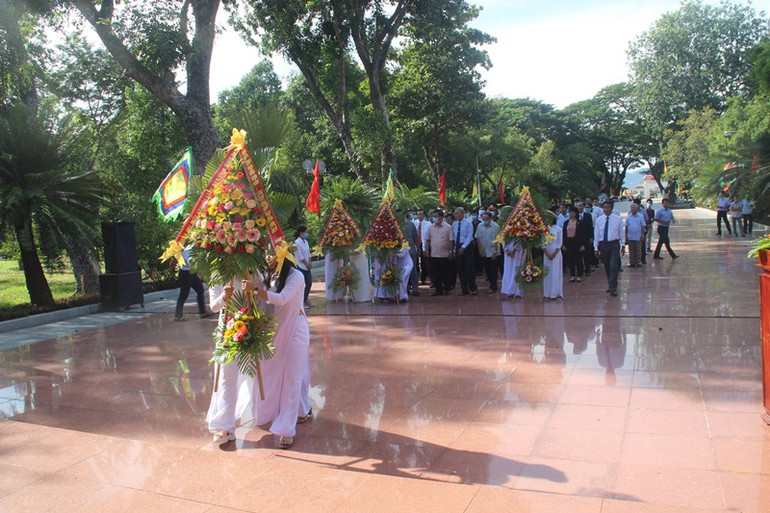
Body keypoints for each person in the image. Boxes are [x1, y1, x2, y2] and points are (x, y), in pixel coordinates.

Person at [253, 255, 311, 450]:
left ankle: (287, 430)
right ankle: (286, 411)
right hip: (276, 331)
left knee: (292, 379)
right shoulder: (271, 276)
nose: (268, 257)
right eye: (267, 254)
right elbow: (267, 305)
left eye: (272, 254)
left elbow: (283, 298)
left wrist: (256, 292)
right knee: (272, 373)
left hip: (295, 330)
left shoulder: (296, 276)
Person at [594, 200, 625, 297]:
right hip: (603, 245)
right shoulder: (599, 220)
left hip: (614, 244)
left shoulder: (618, 219)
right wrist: (596, 248)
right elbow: (596, 234)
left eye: (608, 208)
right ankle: (610, 284)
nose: (606, 209)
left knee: (613, 266)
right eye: (604, 207)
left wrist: (623, 245)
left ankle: (613, 288)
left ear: (611, 209)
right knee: (607, 266)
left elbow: (621, 232)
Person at [174, 246, 208, 321]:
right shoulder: (183, 249)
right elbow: (189, 261)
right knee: (184, 294)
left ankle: (202, 312)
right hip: (185, 273)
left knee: (200, 290)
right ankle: (178, 315)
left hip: (192, 273)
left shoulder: (192, 246)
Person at [425, 210, 454, 296]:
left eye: (436, 216)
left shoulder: (448, 227)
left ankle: (447, 288)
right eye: (433, 216)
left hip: (444, 254)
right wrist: (426, 249)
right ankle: (438, 289)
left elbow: (451, 240)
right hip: (434, 254)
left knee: (445, 273)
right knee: (435, 273)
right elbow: (428, 240)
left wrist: (451, 251)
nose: (434, 218)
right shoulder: (430, 228)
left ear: (441, 217)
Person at [453, 207, 477, 296]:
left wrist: (463, 247)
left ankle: (473, 288)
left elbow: (469, 236)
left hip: (467, 247)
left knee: (469, 269)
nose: (456, 215)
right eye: (455, 214)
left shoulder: (468, 223)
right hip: (457, 246)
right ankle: (464, 289)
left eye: (457, 213)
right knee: (460, 269)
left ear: (462, 214)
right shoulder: (455, 224)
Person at [475, 211, 499, 293]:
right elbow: (477, 238)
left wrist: (496, 251)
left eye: (486, 219)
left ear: (490, 218)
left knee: (494, 270)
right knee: (487, 270)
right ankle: (491, 283)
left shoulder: (495, 226)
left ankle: (493, 286)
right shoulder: (480, 225)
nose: (484, 220)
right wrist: (480, 249)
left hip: (493, 251)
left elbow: (498, 240)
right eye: (483, 219)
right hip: (484, 251)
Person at [562, 207, 586, 282]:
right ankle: (572, 275)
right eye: (570, 212)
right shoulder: (566, 222)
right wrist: (563, 244)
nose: (571, 214)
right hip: (569, 242)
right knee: (570, 259)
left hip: (577, 242)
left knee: (578, 259)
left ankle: (579, 275)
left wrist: (582, 244)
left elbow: (583, 234)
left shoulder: (579, 222)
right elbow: (564, 233)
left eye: (573, 212)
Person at [543, 217, 563, 299]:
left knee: (555, 272)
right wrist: (547, 253)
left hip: (556, 252)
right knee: (547, 273)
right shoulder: (543, 229)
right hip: (547, 252)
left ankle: (556, 293)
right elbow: (542, 243)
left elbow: (560, 243)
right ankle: (547, 293)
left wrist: (554, 254)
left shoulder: (559, 229)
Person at [293, 226, 313, 308]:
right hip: (300, 266)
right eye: (306, 232)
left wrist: (310, 262)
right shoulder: (296, 243)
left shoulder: (306, 242)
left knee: (309, 283)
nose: (306, 234)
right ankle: (300, 302)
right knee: (300, 285)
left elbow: (308, 253)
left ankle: (305, 299)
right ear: (301, 233)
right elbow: (299, 256)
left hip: (307, 267)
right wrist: (306, 263)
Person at [402, 211, 420, 296]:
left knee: (403, 270)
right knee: (412, 270)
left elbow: (416, 237)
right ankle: (415, 288)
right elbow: (416, 237)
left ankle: (406, 288)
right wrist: (418, 248)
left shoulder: (395, 225)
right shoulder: (410, 224)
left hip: (403, 251)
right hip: (410, 250)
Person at [624, 202, 646, 267]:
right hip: (630, 236)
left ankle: (638, 262)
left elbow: (643, 226)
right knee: (631, 250)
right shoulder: (628, 217)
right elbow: (626, 227)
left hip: (638, 236)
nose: (633, 209)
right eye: (632, 208)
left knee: (638, 250)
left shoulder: (640, 216)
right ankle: (632, 262)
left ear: (637, 209)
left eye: (634, 208)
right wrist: (626, 236)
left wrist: (642, 235)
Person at [577, 202, 595, 274]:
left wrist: (591, 237)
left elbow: (590, 227)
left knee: (587, 254)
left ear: (583, 207)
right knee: (579, 255)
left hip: (587, 237)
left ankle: (587, 269)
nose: (579, 207)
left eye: (580, 206)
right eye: (578, 206)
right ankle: (580, 270)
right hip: (578, 238)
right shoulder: (575, 216)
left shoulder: (588, 216)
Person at [415, 210, 431, 284]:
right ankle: (415, 279)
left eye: (421, 214)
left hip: (424, 244)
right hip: (416, 244)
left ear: (424, 215)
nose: (420, 216)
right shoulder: (414, 223)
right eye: (418, 214)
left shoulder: (428, 224)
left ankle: (423, 278)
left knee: (424, 262)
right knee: (415, 262)